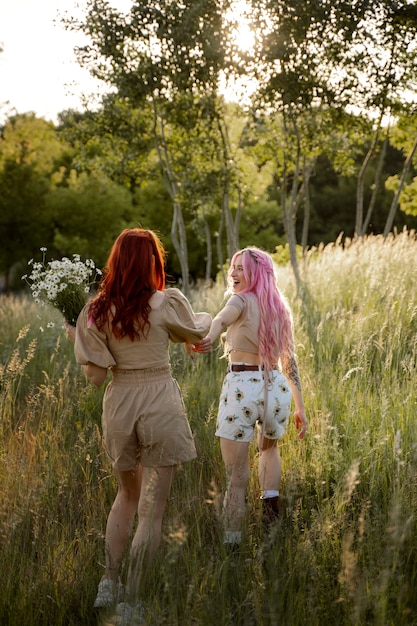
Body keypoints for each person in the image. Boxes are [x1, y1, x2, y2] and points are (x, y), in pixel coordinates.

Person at [69, 228, 211, 625]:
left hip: (120, 403)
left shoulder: (96, 310)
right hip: (159, 399)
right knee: (151, 511)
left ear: (115, 261)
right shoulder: (166, 302)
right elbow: (198, 333)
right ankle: (132, 601)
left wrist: (76, 339)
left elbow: (96, 376)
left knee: (125, 498)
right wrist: (195, 331)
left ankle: (108, 584)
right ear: (153, 261)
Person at [193, 246, 307, 548]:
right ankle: (271, 526)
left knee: (236, 477)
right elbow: (289, 361)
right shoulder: (280, 307)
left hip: (242, 387)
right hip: (275, 388)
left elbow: (219, 320)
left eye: (240, 268)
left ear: (255, 273)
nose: (233, 273)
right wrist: (300, 407)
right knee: (269, 452)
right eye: (232, 267)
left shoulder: (240, 300)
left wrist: (206, 337)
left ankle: (232, 547)